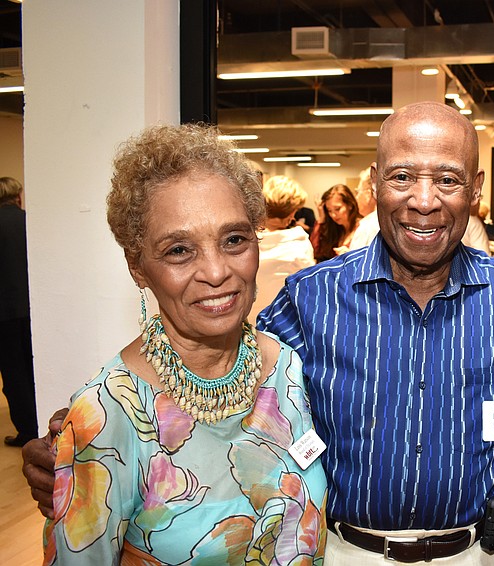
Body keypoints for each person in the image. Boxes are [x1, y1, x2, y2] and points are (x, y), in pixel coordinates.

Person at [258, 101, 494, 564]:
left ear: (475, 188)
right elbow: (242, 416)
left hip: (483, 554)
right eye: (401, 177)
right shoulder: (308, 300)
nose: (424, 201)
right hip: (345, 553)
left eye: (448, 180)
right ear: (375, 181)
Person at [41, 124, 326, 564]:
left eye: (234, 240)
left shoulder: (286, 368)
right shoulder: (108, 415)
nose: (216, 271)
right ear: (138, 267)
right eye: (179, 250)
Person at [0, 176, 38, 447]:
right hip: (32, 308)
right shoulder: (29, 221)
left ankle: (26, 431)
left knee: (14, 374)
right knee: (34, 367)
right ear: (18, 196)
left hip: (4, 313)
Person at [250, 175, 315, 323]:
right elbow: (310, 288)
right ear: (292, 213)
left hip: (248, 319)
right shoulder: (299, 243)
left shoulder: (247, 240)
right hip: (282, 321)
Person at [310, 183, 361, 262]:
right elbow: (315, 252)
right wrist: (321, 218)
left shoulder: (363, 227)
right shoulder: (336, 229)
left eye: (337, 209)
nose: (333, 215)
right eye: (329, 211)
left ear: (350, 205)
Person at [345, 167, 380, 251]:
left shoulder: (367, 226)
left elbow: (357, 259)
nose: (356, 198)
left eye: (357, 192)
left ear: (368, 194)